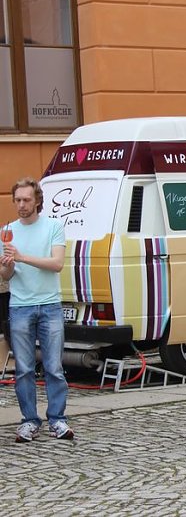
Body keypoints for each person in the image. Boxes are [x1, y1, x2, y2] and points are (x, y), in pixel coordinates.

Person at [0, 177, 73, 442]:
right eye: (17, 200)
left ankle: (58, 420)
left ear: (37, 200)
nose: (21, 204)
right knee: (24, 369)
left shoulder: (53, 226)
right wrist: (8, 263)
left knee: (54, 366)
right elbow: (7, 275)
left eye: (26, 199)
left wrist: (21, 257)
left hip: (50, 304)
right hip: (20, 306)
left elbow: (56, 264)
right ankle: (29, 421)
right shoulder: (7, 231)